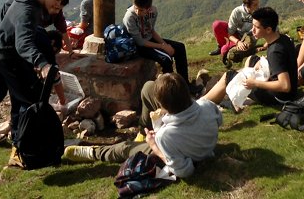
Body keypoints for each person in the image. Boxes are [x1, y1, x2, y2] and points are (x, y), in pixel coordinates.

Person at [63, 73, 222, 179]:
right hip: (187, 130)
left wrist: (154, 146)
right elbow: (218, 120)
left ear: (162, 105)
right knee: (148, 88)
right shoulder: (207, 105)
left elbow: (184, 172)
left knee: (124, 148)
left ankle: (93, 152)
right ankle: (141, 132)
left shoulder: (166, 136)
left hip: (185, 153)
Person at [0, 0, 72, 162]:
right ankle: (23, 152)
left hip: (13, 54)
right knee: (27, 102)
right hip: (8, 57)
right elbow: (23, 44)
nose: (58, 5)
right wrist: (42, 64)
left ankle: (23, 147)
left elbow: (5, 9)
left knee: (24, 100)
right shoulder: (27, 10)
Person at [203, 6, 298, 108]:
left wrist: (255, 83)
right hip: (291, 92)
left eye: (256, 27)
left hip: (279, 98)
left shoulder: (275, 52)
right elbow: (283, 62)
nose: (252, 30)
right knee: (252, 59)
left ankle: (202, 104)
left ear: (268, 29)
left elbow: (285, 86)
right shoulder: (283, 38)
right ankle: (240, 94)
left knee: (228, 76)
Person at [123, 0, 191, 86]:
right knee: (166, 59)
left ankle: (185, 84)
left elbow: (151, 31)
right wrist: (163, 47)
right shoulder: (129, 17)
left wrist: (165, 45)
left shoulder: (153, 12)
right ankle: (169, 90)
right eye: (136, 8)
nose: (138, 12)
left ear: (149, 9)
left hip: (149, 39)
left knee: (180, 47)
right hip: (137, 46)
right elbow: (140, 42)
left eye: (142, 10)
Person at [209, 0, 260, 68]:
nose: (258, 7)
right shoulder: (237, 11)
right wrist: (238, 42)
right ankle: (221, 46)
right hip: (236, 36)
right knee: (217, 25)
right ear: (247, 5)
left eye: (258, 4)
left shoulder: (259, 13)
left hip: (248, 39)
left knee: (225, 50)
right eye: (255, 5)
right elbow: (230, 33)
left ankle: (226, 48)